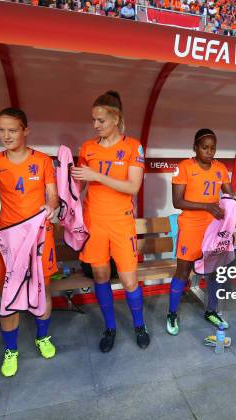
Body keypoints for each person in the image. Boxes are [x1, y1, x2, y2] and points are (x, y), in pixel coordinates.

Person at [0, 108, 59, 377]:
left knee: (43, 290)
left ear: (26, 130)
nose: (6, 135)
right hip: (9, 240)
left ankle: (43, 337)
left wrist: (50, 207)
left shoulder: (44, 161)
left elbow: (53, 196)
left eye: (12, 130)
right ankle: (11, 350)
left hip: (39, 237)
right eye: (1, 130)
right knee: (8, 295)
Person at [71, 90, 149, 352]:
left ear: (116, 118)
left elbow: (133, 187)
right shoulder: (88, 148)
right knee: (101, 276)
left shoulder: (132, 146)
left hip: (121, 222)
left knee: (129, 281)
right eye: (93, 120)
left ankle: (139, 325)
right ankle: (110, 327)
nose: (95, 125)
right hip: (94, 222)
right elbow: (77, 185)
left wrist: (96, 175)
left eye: (101, 120)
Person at [166, 129, 236, 335]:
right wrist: (207, 206)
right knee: (183, 271)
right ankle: (171, 313)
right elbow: (177, 201)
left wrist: (232, 200)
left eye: (212, 148)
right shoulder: (184, 167)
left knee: (215, 270)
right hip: (190, 227)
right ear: (195, 147)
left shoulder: (220, 168)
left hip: (213, 228)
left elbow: (229, 193)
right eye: (204, 147)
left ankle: (211, 310)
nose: (209, 151)